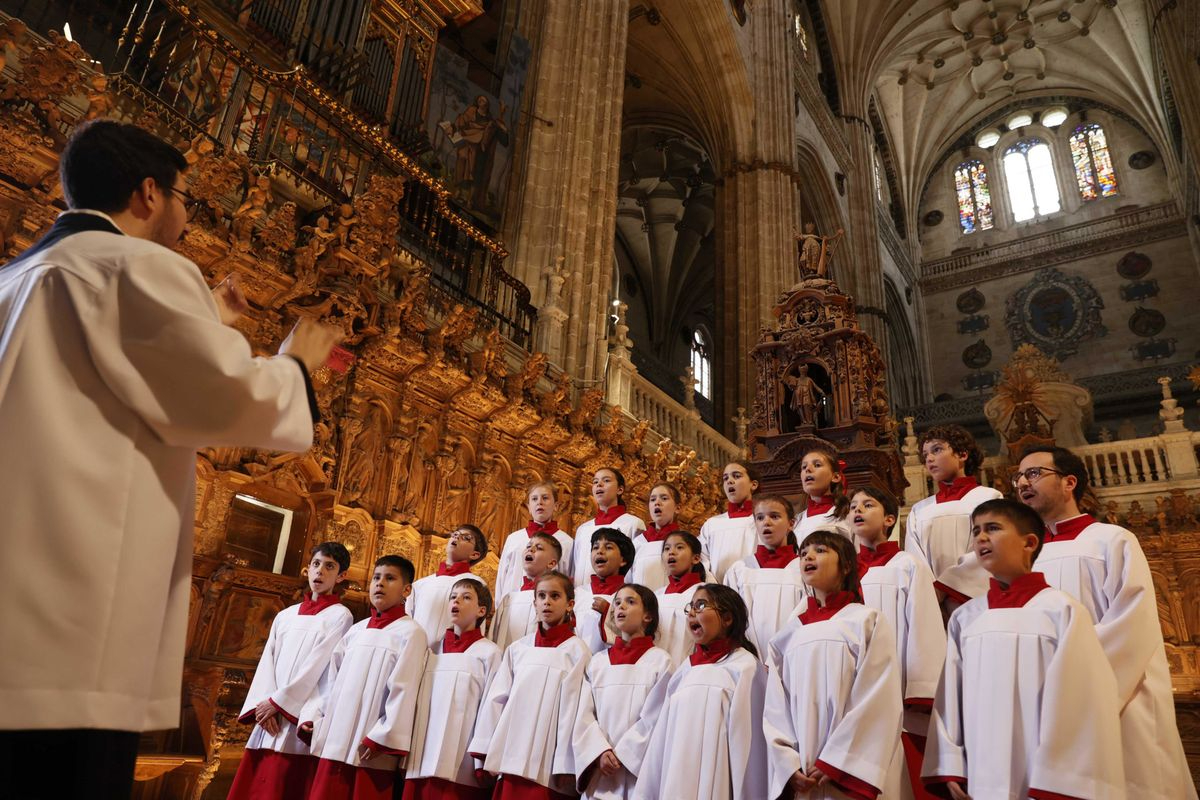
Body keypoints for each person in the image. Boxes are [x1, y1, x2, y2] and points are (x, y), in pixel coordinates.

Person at [0, 119, 339, 798]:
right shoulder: (139, 265)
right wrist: (296, 365)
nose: (187, 217)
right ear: (149, 193)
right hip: (72, 615)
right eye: (188, 198)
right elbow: (222, 398)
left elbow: (94, 380)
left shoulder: (18, 277)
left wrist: (207, 323)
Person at [1016, 446, 1197, 799]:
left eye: (1034, 473)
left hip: (1114, 692)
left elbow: (1132, 623)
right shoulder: (1025, 556)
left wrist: (1069, 670)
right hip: (1045, 694)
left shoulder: (1111, 539)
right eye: (1019, 476)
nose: (1023, 482)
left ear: (1070, 482)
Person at [922, 500, 1126, 799]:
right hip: (981, 770)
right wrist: (951, 764)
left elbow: (1083, 701)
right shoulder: (966, 617)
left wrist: (1060, 778)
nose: (979, 538)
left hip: (1042, 775)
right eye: (975, 530)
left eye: (992, 528)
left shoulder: (1062, 610)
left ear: (1030, 542)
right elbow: (950, 697)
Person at [764, 530, 903, 800]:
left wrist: (838, 759)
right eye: (803, 553)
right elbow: (775, 707)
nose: (808, 557)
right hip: (803, 769)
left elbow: (877, 696)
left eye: (820, 550)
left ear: (847, 565)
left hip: (846, 773)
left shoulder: (866, 621)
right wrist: (787, 763)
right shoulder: (787, 634)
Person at [228, 542, 355, 800]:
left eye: (329, 567)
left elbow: (318, 666)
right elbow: (267, 662)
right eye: (317, 564)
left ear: (341, 576)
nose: (320, 572)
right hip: (271, 717)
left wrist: (279, 703)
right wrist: (264, 706)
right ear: (307, 569)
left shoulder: (340, 616)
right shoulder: (285, 616)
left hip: (300, 714)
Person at [299, 556, 429, 800]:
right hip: (335, 736)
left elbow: (404, 689)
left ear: (407, 590)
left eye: (390, 578)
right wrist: (314, 717)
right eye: (376, 578)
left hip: (370, 747)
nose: (379, 584)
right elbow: (330, 680)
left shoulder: (412, 633)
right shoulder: (356, 630)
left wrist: (383, 736)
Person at [851, 487, 945, 800]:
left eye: (868, 504)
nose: (858, 510)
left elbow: (924, 626)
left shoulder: (908, 565)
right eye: (853, 506)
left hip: (897, 686)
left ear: (890, 518)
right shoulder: (844, 571)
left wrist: (919, 688)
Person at [633, 584, 768, 800]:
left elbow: (750, 748)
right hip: (675, 780)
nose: (692, 613)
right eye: (690, 607)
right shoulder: (684, 670)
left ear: (727, 618)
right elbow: (661, 741)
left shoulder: (745, 667)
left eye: (702, 605)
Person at [470, 571, 591, 800]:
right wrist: (484, 750)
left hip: (548, 763)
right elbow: (497, 700)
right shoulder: (518, 649)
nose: (547, 601)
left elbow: (574, 711)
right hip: (510, 753)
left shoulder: (577, 650)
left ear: (570, 604)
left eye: (555, 596)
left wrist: (565, 762)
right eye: (541, 596)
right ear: (534, 602)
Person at [573, 584, 674, 799]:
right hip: (600, 772)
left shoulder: (660, 661)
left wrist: (624, 754)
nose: (620, 607)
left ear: (648, 616)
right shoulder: (598, 662)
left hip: (639, 774)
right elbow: (584, 715)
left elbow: (657, 719)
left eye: (630, 602)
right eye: (617, 602)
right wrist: (599, 751)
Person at [404, 579, 502, 800]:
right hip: (421, 754)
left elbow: (491, 708)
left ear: (481, 611)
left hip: (461, 760)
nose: (456, 600)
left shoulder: (489, 653)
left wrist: (481, 757)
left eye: (466, 597)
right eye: (453, 596)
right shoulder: (432, 649)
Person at [904, 425, 1002, 614]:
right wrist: (930, 592)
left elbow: (989, 549)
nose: (929, 459)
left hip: (976, 601)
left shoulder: (988, 497)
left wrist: (947, 587)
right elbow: (914, 559)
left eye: (937, 450)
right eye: (925, 455)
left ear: (962, 454)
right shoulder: (920, 510)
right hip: (932, 605)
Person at [722, 495, 806, 654]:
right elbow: (730, 616)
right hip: (746, 655)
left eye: (774, 516)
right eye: (760, 518)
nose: (766, 522)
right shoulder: (739, 570)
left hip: (791, 652)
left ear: (791, 524)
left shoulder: (802, 569)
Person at [495, 481, 573, 604]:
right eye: (534, 499)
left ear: (556, 506)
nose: (539, 502)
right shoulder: (514, 539)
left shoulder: (567, 542)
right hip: (511, 605)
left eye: (545, 498)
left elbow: (568, 579)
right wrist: (500, 607)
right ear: (529, 507)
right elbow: (502, 578)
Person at [408, 524, 488, 644]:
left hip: (450, 654)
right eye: (455, 534)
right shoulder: (420, 584)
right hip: (416, 649)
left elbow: (476, 626)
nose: (457, 538)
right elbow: (408, 621)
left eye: (466, 538)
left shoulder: (477, 584)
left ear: (474, 554)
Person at [572, 468, 645, 586]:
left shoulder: (633, 524)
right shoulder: (583, 529)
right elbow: (576, 567)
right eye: (595, 482)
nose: (599, 484)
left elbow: (637, 567)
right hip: (582, 595)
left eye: (606, 480)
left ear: (620, 489)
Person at [491, 532, 562, 651]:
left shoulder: (555, 601)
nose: (531, 549)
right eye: (528, 546)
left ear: (552, 563)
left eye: (539, 548)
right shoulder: (509, 599)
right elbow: (495, 639)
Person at [573, 529, 634, 653]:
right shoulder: (577, 593)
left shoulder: (632, 596)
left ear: (623, 560)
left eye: (608, 547)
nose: (600, 551)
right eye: (595, 547)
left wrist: (609, 612)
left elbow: (635, 634)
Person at [698, 461, 760, 583]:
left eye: (736, 476)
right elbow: (703, 560)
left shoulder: (760, 521)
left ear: (753, 484)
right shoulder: (712, 524)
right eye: (725, 478)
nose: (729, 481)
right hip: (718, 593)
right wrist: (714, 588)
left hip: (753, 586)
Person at [653, 530, 708, 666]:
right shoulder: (656, 596)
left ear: (696, 558)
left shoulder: (706, 594)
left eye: (679, 547)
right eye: (667, 549)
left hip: (690, 667)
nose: (671, 552)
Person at [792, 444, 853, 541]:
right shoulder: (796, 520)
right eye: (804, 467)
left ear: (835, 477)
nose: (808, 469)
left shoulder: (847, 514)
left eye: (817, 465)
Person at [629, 482, 681, 591]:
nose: (657, 503)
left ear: (677, 508)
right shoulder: (638, 542)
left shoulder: (686, 542)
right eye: (652, 500)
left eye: (664, 498)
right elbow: (628, 581)